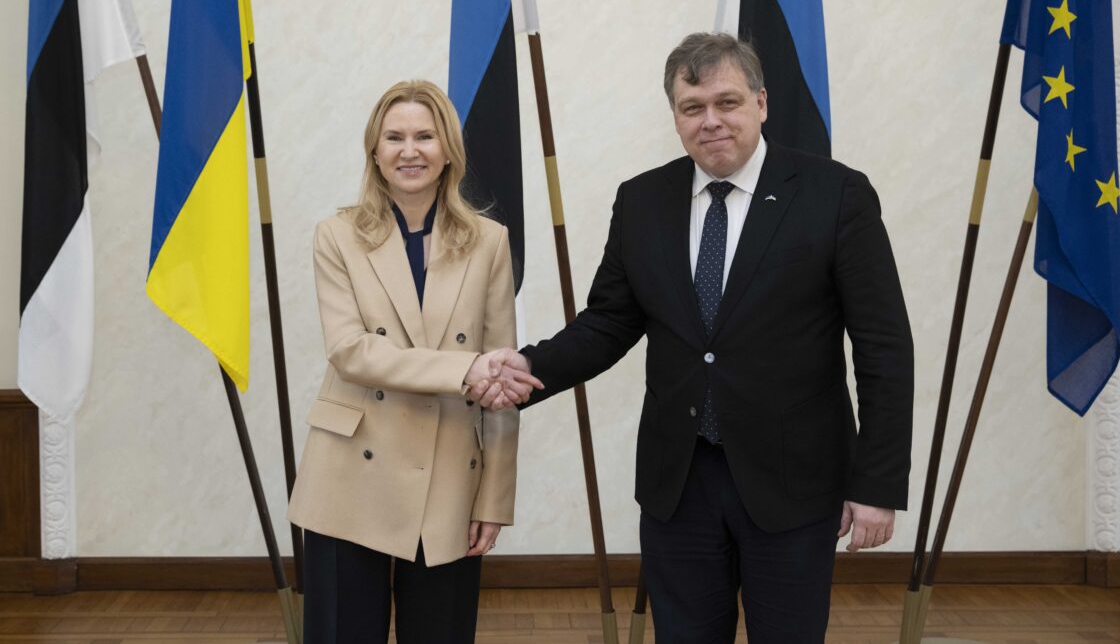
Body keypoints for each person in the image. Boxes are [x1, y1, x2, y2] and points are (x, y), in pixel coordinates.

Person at [477, 33, 914, 642]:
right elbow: (608, 323)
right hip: (679, 482)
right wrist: (522, 370)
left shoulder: (836, 195)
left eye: (727, 102)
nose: (711, 121)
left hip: (794, 482)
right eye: (692, 107)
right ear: (676, 116)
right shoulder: (642, 200)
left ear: (761, 102)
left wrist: (877, 485)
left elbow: (884, 348)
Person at [288, 79, 540, 644]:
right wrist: (463, 370)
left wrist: (495, 496)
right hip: (349, 474)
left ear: (448, 149)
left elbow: (501, 379)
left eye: (425, 136)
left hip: (449, 476)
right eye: (394, 137)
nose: (410, 151)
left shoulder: (490, 241)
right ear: (374, 151)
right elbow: (350, 350)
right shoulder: (336, 236)